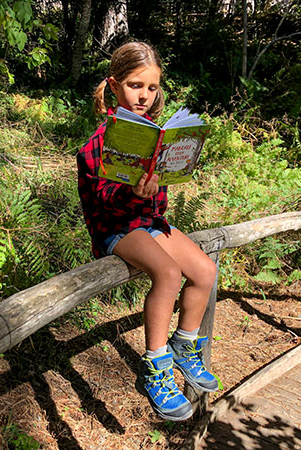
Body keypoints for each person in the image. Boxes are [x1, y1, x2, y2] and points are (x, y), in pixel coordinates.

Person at [76, 41, 219, 421]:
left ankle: (185, 345)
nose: (144, 95)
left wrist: (161, 182)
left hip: (148, 223)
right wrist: (132, 190)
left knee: (205, 270)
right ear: (114, 85)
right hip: (114, 229)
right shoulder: (98, 143)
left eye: (152, 87)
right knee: (169, 272)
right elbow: (103, 204)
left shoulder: (156, 135)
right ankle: (156, 367)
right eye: (136, 85)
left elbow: (159, 203)